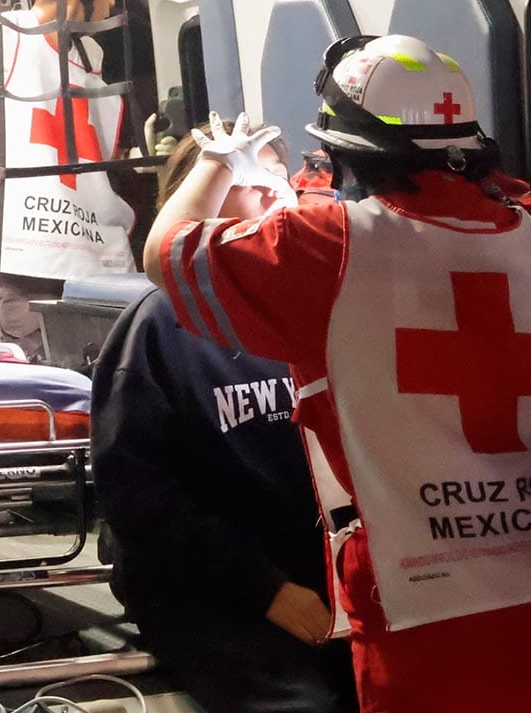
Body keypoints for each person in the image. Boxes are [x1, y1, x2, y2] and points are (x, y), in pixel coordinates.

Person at [142, 35, 531, 713]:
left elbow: (167, 251)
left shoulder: (328, 244)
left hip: (440, 601)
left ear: (347, 150)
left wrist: (216, 164)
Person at [91, 119, 358, 713]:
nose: (268, 189)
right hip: (208, 580)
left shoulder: (327, 304)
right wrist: (267, 591)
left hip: (326, 570)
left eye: (275, 173)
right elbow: (141, 499)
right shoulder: (158, 326)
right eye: (243, 175)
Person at [0, 0, 137, 360]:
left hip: (94, 247)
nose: (113, 4)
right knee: (48, 369)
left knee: (113, 364)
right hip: (31, 252)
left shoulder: (90, 53)